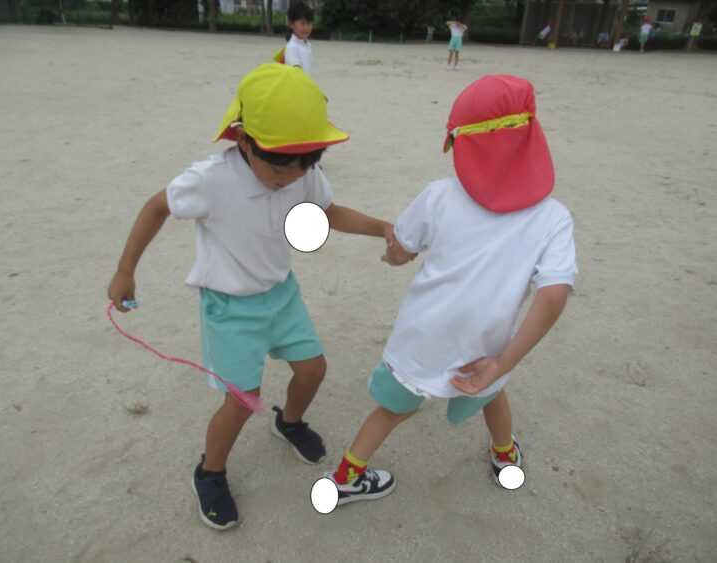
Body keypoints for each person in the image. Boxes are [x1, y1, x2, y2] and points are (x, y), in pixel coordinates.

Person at [107, 64, 394, 529]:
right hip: (230, 309)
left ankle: (290, 422)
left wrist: (383, 228)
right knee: (243, 400)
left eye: (305, 165)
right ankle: (210, 472)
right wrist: (126, 270)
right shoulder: (210, 180)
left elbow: (329, 211)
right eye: (279, 167)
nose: (290, 178)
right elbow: (157, 206)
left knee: (313, 369)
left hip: (281, 294)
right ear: (243, 140)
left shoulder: (300, 173)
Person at [324, 75, 578, 505]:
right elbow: (553, 295)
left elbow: (403, 249)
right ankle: (504, 455)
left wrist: (392, 255)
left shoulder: (439, 196)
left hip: (422, 337)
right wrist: (502, 361)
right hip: (486, 346)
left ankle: (347, 475)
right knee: (491, 388)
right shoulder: (553, 218)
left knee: (392, 410)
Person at [274, 1, 315, 76]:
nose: (306, 27)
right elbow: (296, 72)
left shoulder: (306, 44)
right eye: (302, 23)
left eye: (309, 23)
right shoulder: (292, 47)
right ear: (291, 24)